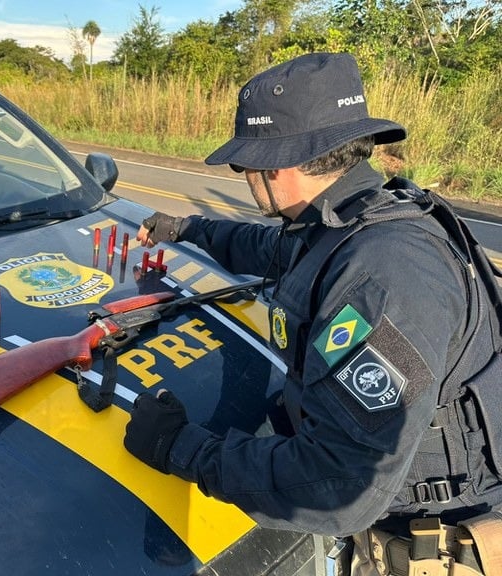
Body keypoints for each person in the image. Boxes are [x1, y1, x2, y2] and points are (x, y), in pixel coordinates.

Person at [123, 52, 502, 575]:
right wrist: (185, 229)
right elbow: (270, 248)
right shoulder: (346, 222)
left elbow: (342, 485)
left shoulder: (384, 273)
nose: (244, 176)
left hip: (437, 552)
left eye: (243, 164)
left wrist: (180, 448)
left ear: (276, 165)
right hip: (403, 530)